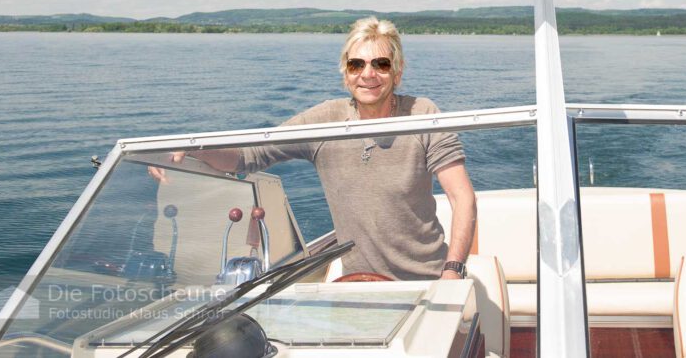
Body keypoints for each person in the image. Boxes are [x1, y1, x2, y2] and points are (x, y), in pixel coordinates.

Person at [163, 17, 477, 281]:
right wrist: (195, 149)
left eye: (380, 64)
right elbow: (247, 156)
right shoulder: (325, 120)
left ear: (397, 71)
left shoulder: (422, 114)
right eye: (357, 65)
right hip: (361, 282)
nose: (368, 74)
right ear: (346, 72)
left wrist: (452, 270)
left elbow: (461, 196)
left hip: (428, 277)